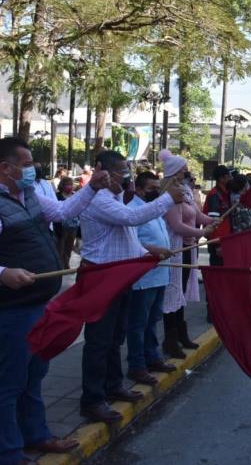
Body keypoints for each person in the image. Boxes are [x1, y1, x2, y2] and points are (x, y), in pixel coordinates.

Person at [0, 137, 110, 464]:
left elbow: (63, 211)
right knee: (9, 382)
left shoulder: (30, 195)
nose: (34, 169)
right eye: (28, 163)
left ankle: (36, 436)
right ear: (6, 168)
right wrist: (3, 271)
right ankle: (9, 452)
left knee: (34, 376)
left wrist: (91, 190)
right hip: (12, 310)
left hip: (39, 305)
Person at [79, 150, 184, 424]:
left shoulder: (114, 198)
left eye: (126, 171)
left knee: (116, 337)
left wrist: (149, 252)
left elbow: (126, 237)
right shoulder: (99, 199)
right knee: (99, 341)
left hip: (119, 277)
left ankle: (113, 386)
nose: (125, 177)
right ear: (101, 170)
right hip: (100, 278)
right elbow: (132, 219)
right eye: (120, 172)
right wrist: (166, 199)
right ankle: (92, 399)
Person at [159, 151, 217, 358]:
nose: (187, 171)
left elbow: (196, 215)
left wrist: (210, 221)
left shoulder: (185, 191)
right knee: (173, 293)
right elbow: (176, 225)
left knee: (180, 293)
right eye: (183, 169)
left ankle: (181, 335)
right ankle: (170, 340)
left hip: (188, 248)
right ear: (174, 172)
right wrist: (202, 232)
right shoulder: (170, 196)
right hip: (175, 249)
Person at [126, 172, 176, 386]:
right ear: (138, 189)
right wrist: (153, 250)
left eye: (158, 187)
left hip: (160, 273)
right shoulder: (132, 211)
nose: (156, 191)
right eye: (151, 188)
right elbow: (130, 242)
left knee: (153, 320)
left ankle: (152, 357)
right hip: (143, 277)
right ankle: (137, 365)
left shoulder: (154, 208)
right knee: (138, 323)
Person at [202, 165, 233, 268]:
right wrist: (218, 244)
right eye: (228, 176)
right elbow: (213, 222)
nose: (230, 179)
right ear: (221, 179)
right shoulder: (214, 195)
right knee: (217, 268)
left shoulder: (225, 193)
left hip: (225, 238)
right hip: (217, 241)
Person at [53, 176, 80, 269]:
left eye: (71, 184)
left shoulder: (74, 195)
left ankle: (66, 263)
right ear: (62, 185)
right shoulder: (57, 196)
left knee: (69, 247)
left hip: (73, 226)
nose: (70, 186)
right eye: (68, 184)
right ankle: (59, 266)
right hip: (61, 226)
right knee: (60, 247)